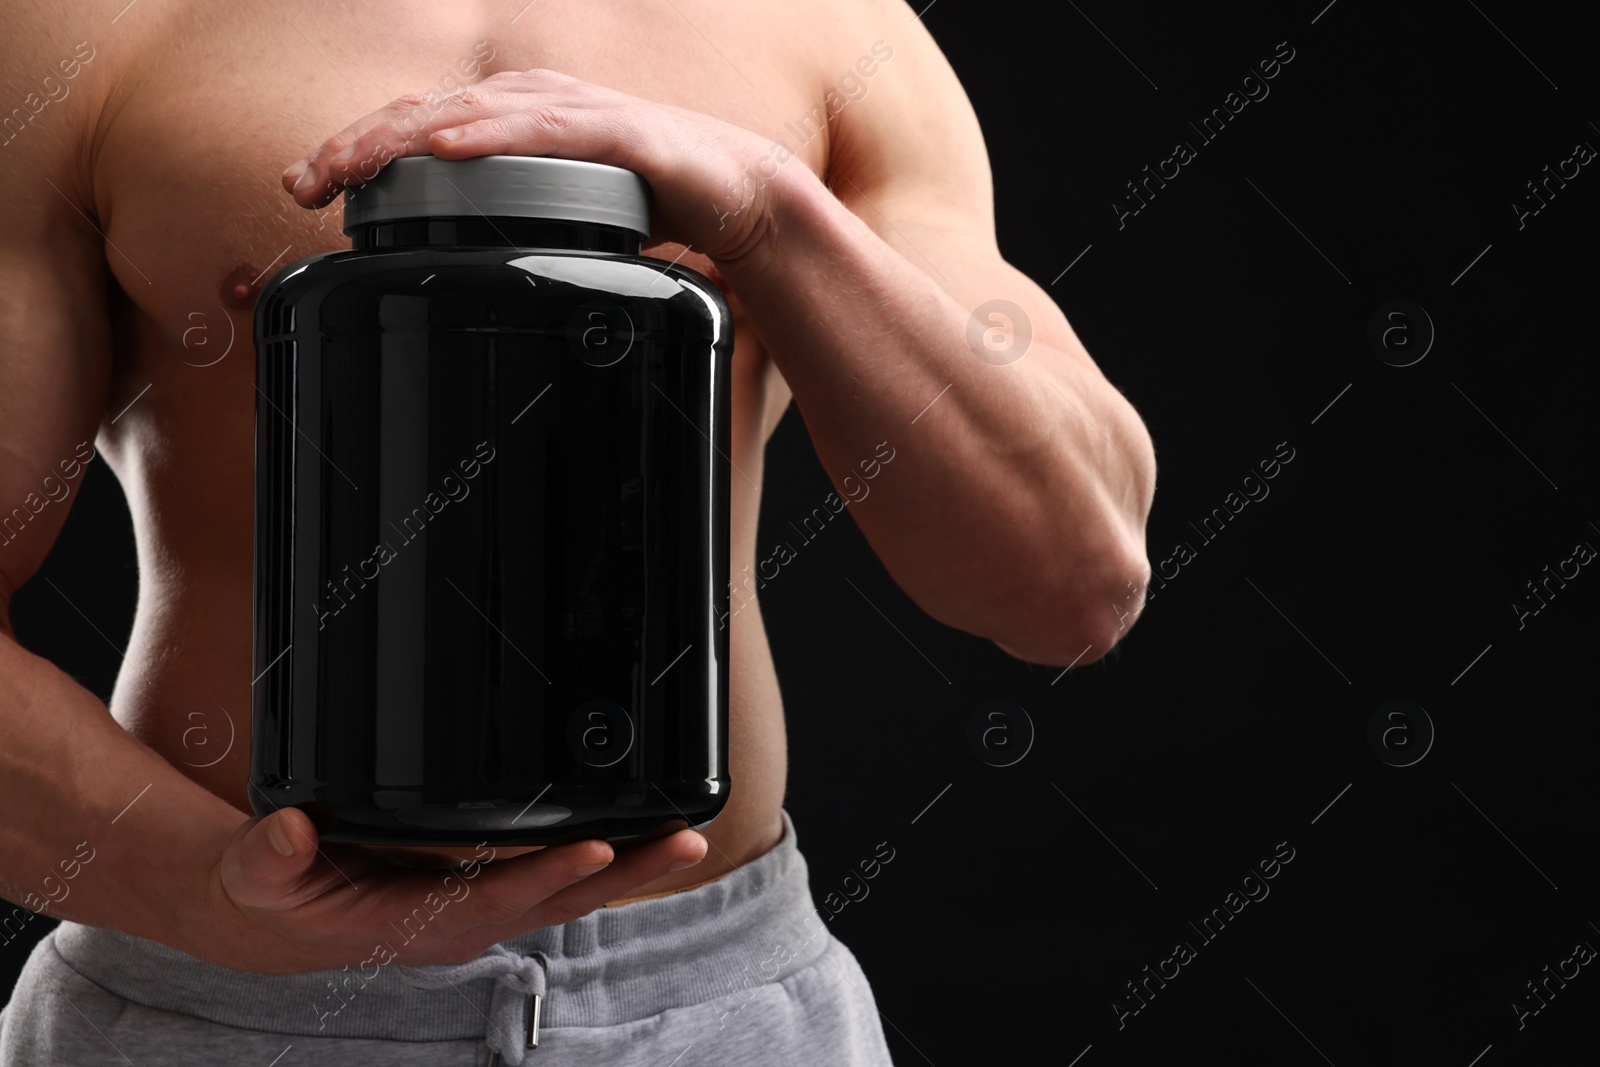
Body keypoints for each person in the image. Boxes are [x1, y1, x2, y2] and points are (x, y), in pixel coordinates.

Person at [0, 0, 1156, 1062]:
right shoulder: (86, 27)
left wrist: (767, 212)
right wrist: (200, 890)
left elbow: (1069, 581)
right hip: (212, 1003)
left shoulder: (831, 32)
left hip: (714, 1006)